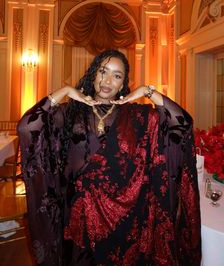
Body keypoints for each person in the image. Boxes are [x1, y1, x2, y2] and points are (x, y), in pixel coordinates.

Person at [17, 49, 201, 266]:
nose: (107, 81)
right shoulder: (69, 113)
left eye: (117, 75)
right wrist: (65, 91)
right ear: (93, 73)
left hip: (126, 222)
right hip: (81, 219)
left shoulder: (137, 115)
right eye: (103, 72)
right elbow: (27, 127)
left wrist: (147, 91)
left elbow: (183, 123)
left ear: (123, 83)